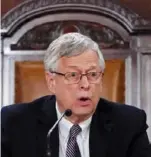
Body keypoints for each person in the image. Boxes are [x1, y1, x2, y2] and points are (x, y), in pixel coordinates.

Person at [1, 32, 151, 157]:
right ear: (52, 81)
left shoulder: (129, 124)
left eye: (93, 74)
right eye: (73, 75)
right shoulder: (14, 123)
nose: (85, 85)